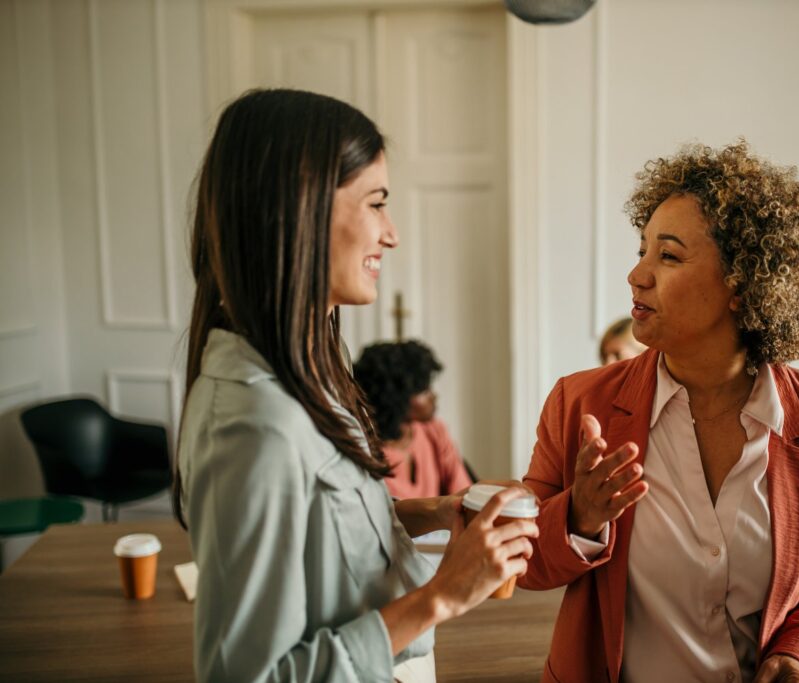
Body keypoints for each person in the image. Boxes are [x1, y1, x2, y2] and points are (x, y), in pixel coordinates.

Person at [172, 89, 538, 683]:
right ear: (300, 211)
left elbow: (323, 532)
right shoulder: (254, 425)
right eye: (376, 203)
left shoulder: (306, 375)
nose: (391, 234)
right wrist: (444, 594)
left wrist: (432, 514)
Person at [519, 141, 799, 683]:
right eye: (642, 249)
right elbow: (520, 561)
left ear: (744, 283)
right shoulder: (581, 404)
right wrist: (580, 516)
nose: (636, 275)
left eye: (667, 256)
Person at [354, 340, 474, 499]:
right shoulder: (364, 449)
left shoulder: (434, 431)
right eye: (423, 390)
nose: (434, 396)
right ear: (395, 397)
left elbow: (465, 496)